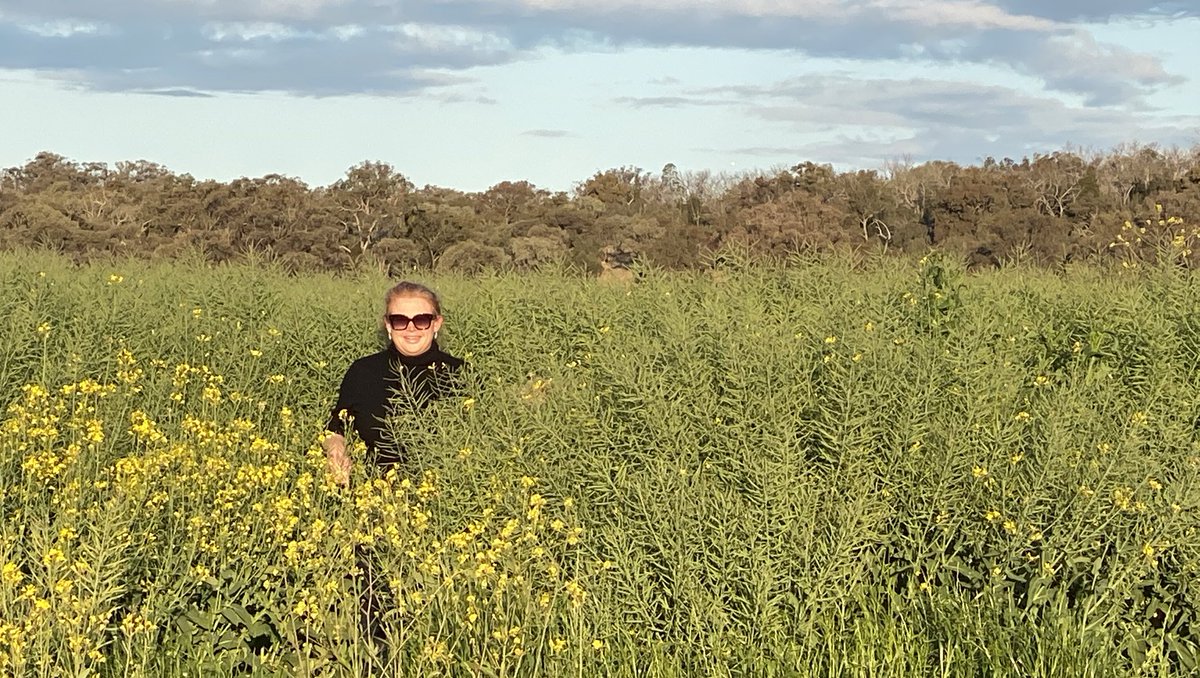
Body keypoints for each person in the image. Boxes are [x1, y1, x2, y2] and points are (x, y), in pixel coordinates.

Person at [323, 281, 465, 484]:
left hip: (447, 499)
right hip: (373, 497)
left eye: (422, 320)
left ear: (437, 323)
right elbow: (337, 427)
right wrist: (336, 450)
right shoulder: (363, 372)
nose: (411, 328)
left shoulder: (459, 374)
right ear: (388, 325)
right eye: (399, 320)